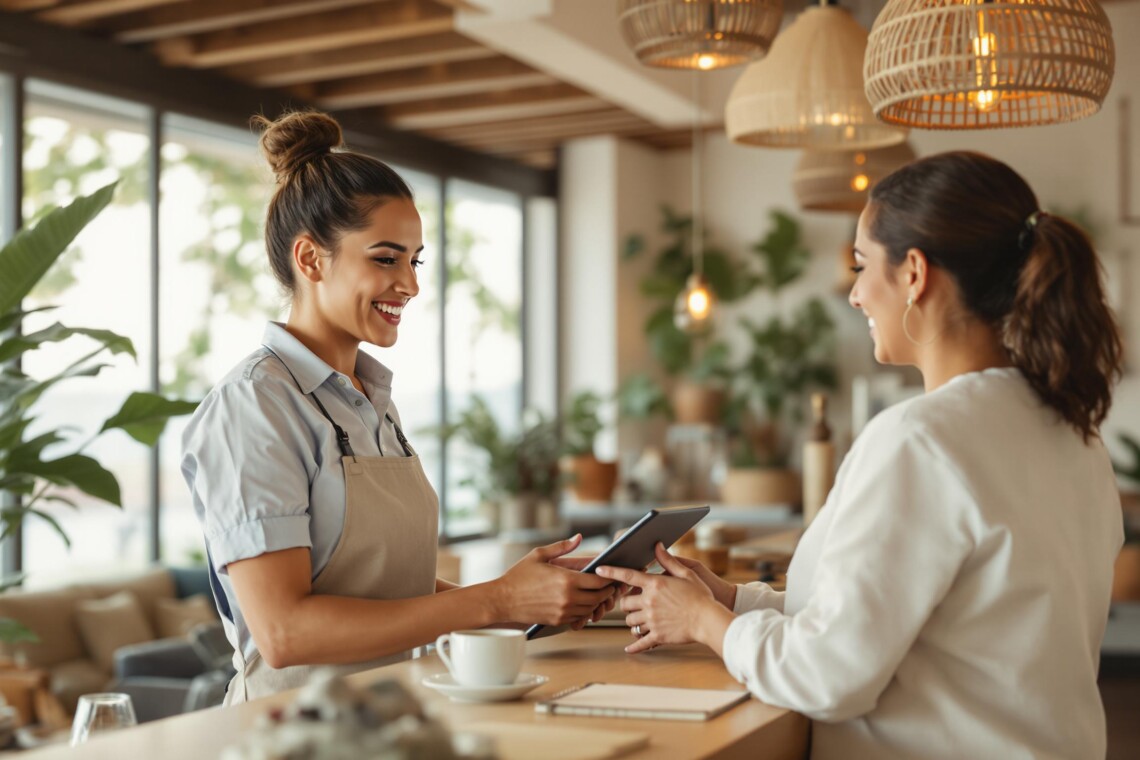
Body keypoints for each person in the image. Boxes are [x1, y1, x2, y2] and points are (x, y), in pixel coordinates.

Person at [598, 151, 1125, 759]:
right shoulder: (1076, 439)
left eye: (861, 264)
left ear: (914, 274)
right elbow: (932, 622)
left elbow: (829, 676)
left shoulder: (920, 439)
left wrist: (703, 624)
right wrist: (733, 600)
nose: (854, 295)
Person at [181, 110, 615, 704]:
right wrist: (496, 600)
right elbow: (284, 631)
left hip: (393, 718)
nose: (410, 284)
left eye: (415, 261)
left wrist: (520, 598)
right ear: (310, 260)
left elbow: (387, 592)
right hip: (293, 735)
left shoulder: (369, 400)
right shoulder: (253, 407)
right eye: (386, 258)